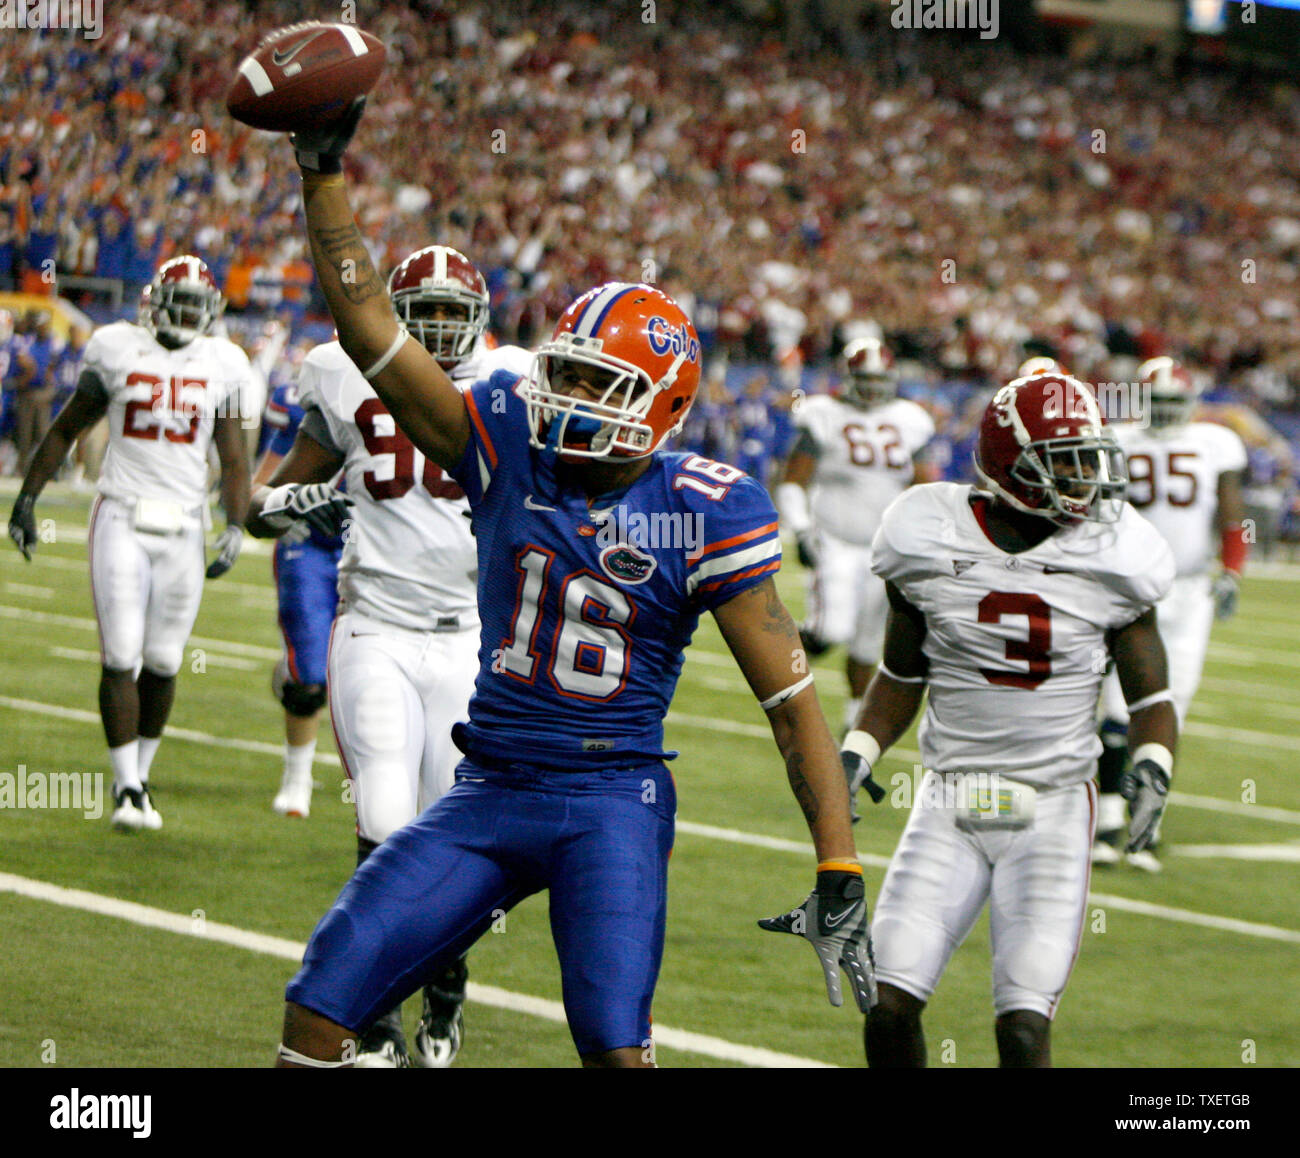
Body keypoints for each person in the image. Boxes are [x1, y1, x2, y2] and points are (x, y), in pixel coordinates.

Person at [270, 102, 872, 1068]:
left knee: (612, 1048)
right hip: (492, 784)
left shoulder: (708, 507)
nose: (569, 400)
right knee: (319, 1000)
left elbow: (792, 702)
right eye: (567, 375)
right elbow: (367, 322)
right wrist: (323, 175)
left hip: (611, 800)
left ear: (663, 407)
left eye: (601, 387)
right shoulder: (504, 436)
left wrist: (838, 864)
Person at [248, 244, 533, 1068]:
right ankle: (375, 1022)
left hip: (472, 642)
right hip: (374, 627)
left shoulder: (516, 378)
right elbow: (274, 496)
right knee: (382, 820)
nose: (441, 326)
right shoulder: (341, 370)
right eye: (427, 310)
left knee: (453, 841)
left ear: (479, 317)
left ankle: (446, 993)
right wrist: (288, 501)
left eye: (454, 310)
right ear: (399, 314)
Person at [842, 372, 1178, 1067]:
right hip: (947, 799)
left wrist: (1152, 766)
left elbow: (1150, 699)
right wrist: (858, 750)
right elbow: (902, 676)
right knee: (886, 1002)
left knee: (1022, 1029)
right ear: (1010, 465)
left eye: (1091, 458)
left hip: (1053, 808)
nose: (1086, 478)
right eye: (1066, 461)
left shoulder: (1114, 551)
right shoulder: (927, 535)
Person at [7, 255, 252, 831]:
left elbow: (234, 455)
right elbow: (67, 426)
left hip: (187, 523)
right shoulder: (117, 348)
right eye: (181, 302)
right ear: (155, 303)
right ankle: (125, 787)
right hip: (121, 511)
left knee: (164, 659)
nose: (188, 314)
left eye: (198, 305)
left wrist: (235, 524)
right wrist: (27, 498)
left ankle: (141, 778)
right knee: (121, 653)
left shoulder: (224, 362)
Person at [1093, 356, 1248, 871]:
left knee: (1172, 702)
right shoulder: (1117, 440)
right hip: (1134, 585)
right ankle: (1109, 818)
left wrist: (1232, 570)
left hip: (1188, 589)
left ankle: (1145, 820)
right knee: (1119, 706)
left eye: (1171, 403)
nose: (1162, 413)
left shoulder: (1214, 443)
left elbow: (1230, 507)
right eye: (1154, 403)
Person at [776, 335, 934, 734]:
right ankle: (772, 662)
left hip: (884, 546)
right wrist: (800, 528)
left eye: (880, 379)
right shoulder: (823, 413)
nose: (873, 387)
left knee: (868, 644)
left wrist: (923, 535)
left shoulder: (910, 419)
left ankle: (853, 722)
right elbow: (793, 480)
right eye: (865, 378)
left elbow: (923, 485)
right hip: (835, 540)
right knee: (832, 630)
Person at [251, 360, 343, 823]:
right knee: (310, 671)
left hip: (381, 549)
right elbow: (264, 484)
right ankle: (297, 778)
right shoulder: (316, 401)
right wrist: (276, 504)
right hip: (308, 543)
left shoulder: (417, 397)